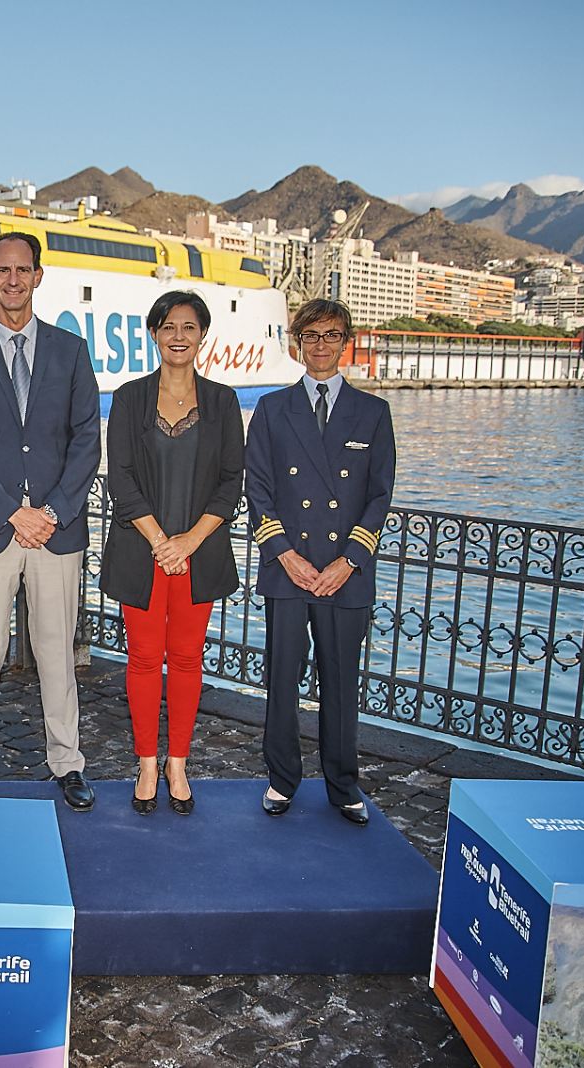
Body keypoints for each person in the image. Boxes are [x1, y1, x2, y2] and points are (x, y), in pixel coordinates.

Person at [0, 232, 102, 810]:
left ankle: (67, 763)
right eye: (2, 270)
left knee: (58, 650)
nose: (12, 279)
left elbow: (88, 440)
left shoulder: (71, 351)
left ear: (39, 276)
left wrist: (53, 511)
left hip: (57, 530)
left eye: (23, 270)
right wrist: (13, 513)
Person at [246, 297, 394, 826]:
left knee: (339, 682)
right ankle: (282, 779)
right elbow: (258, 489)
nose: (322, 346)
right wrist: (283, 554)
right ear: (296, 344)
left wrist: (349, 560)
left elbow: (380, 495)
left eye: (332, 336)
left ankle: (343, 784)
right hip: (288, 570)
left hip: (343, 574)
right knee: (282, 681)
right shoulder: (271, 409)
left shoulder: (373, 413)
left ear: (346, 342)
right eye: (311, 336)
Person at [103, 291, 243, 815]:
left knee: (185, 659)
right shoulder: (129, 397)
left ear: (202, 334)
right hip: (143, 554)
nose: (178, 335)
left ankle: (177, 762)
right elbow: (121, 476)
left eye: (188, 326)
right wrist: (161, 541)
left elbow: (231, 481)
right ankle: (145, 762)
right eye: (167, 326)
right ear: (154, 334)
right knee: (142, 659)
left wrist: (188, 541)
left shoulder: (224, 402)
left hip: (197, 555)